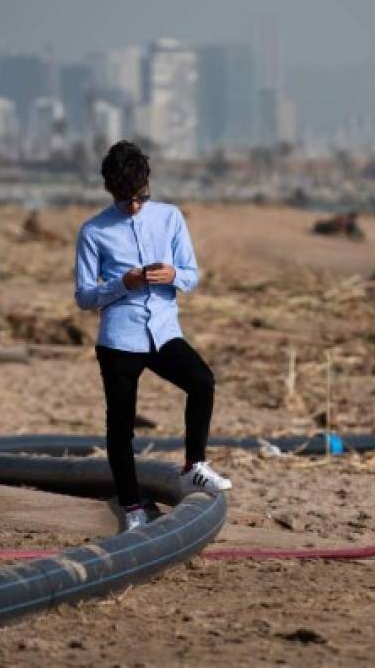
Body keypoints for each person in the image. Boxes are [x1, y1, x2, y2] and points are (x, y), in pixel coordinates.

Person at [74, 140, 231, 532]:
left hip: (163, 333)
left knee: (202, 381)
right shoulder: (93, 230)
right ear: (111, 190)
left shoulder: (171, 217)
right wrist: (121, 283)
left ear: (148, 183)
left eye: (141, 196)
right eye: (126, 199)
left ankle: (194, 466)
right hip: (118, 340)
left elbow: (192, 275)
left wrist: (174, 275)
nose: (135, 206)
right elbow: (83, 296)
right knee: (120, 426)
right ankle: (132, 509)